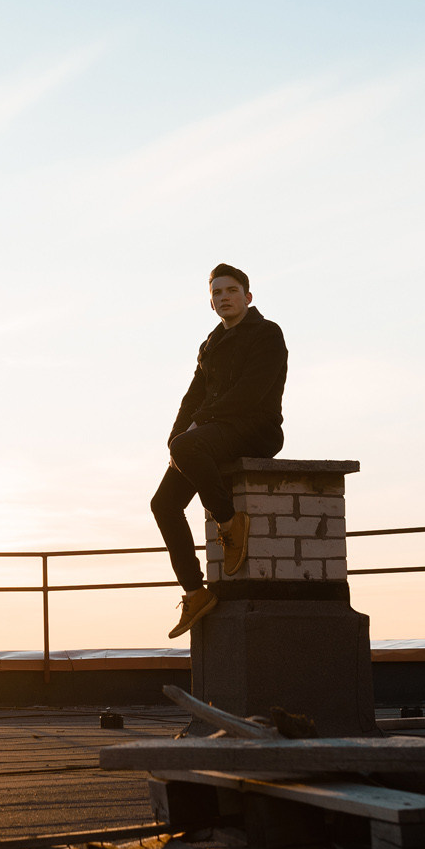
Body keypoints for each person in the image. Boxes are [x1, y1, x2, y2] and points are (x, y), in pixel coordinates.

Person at [153, 264, 288, 638]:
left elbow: (250, 394)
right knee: (163, 504)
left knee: (187, 446)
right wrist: (176, 439)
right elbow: (192, 397)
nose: (223, 297)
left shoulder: (266, 334)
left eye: (231, 291)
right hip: (210, 434)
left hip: (254, 429)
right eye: (216, 293)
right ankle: (195, 593)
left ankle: (229, 523)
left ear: (247, 296)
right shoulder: (210, 345)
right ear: (210, 302)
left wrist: (193, 433)